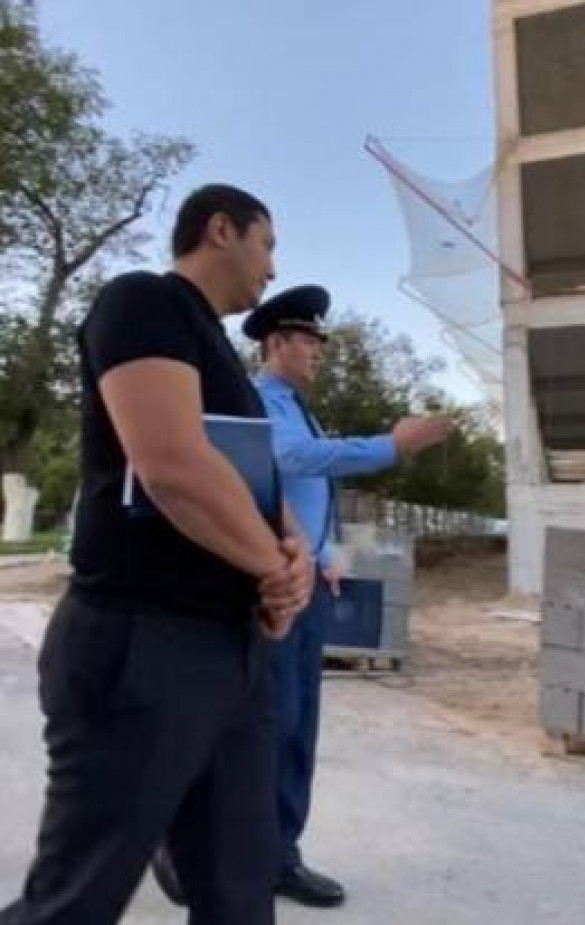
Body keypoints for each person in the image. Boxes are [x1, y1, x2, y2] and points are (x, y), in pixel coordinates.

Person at [0, 184, 314, 925]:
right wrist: (275, 570)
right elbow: (172, 465)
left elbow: (249, 475)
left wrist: (294, 546)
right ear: (221, 229)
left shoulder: (221, 354)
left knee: (239, 892)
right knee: (77, 899)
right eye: (267, 245)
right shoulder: (143, 302)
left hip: (233, 649)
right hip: (143, 641)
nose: (273, 268)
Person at [247, 285, 454, 906]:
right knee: (277, 723)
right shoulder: (264, 400)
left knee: (298, 725)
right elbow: (293, 459)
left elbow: (312, 494)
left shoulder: (296, 405)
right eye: (309, 341)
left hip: (308, 579)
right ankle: (240, 851)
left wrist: (328, 553)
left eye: (320, 342)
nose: (319, 352)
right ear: (277, 342)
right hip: (275, 586)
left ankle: (277, 852)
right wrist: (395, 444)